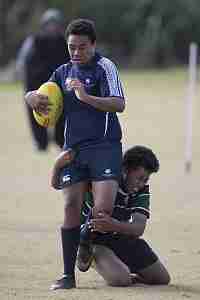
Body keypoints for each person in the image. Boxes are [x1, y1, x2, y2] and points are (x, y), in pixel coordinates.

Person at [25, 18, 125, 289]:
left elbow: (119, 104)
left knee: (102, 211)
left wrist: (86, 97)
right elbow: (39, 94)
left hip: (105, 147)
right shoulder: (62, 72)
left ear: (93, 44)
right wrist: (31, 97)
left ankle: (85, 240)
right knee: (70, 207)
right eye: (72, 48)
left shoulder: (106, 67)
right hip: (74, 151)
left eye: (82, 47)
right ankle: (68, 276)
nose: (77, 53)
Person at [76, 145, 170, 286]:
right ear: (125, 170)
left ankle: (119, 266)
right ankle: (92, 254)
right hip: (95, 239)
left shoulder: (141, 190)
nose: (142, 184)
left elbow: (138, 228)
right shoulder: (105, 182)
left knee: (162, 279)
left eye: (146, 179)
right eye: (139, 178)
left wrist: (113, 224)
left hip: (119, 236)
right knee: (121, 280)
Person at [16, 8, 69, 150]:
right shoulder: (33, 41)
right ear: (44, 25)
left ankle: (60, 140)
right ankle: (40, 142)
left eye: (55, 24)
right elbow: (22, 62)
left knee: (62, 112)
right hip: (36, 84)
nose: (52, 27)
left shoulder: (65, 43)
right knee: (36, 111)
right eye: (49, 24)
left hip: (59, 84)